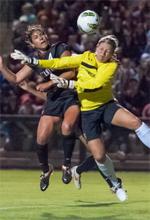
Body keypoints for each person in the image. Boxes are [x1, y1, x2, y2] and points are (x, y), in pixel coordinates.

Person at [12, 35, 150, 202]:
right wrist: (32, 61)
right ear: (97, 46)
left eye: (107, 51)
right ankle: (115, 184)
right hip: (88, 112)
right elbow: (57, 63)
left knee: (136, 122)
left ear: (113, 53)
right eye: (101, 48)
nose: (102, 53)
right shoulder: (84, 57)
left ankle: (80, 171)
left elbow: (95, 84)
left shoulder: (112, 65)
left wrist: (70, 84)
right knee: (99, 156)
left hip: (106, 105)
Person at [0, 24, 81, 191]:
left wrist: (49, 82)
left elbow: (71, 71)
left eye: (42, 34)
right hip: (53, 99)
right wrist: (2, 67)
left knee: (67, 127)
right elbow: (16, 79)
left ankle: (66, 165)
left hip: (70, 94)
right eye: (37, 37)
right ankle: (46, 170)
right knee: (41, 139)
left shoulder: (61, 47)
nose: (42, 37)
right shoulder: (33, 59)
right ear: (32, 43)